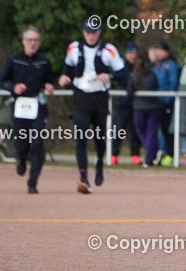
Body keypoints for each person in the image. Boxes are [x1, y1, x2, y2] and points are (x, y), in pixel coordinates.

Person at [57, 19, 126, 194]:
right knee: (81, 137)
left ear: (100, 32)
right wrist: (63, 77)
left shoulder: (109, 50)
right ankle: (84, 177)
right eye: (88, 32)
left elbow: (123, 73)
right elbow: (67, 68)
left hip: (100, 98)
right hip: (81, 97)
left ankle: (100, 163)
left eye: (94, 32)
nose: (91, 35)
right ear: (83, 32)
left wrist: (110, 76)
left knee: (99, 139)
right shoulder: (74, 48)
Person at [0, 26, 55, 194]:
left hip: (38, 106)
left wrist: (50, 87)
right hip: (20, 107)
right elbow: (2, 81)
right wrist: (13, 87)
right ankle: (21, 159)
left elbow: (49, 83)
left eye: (36, 40)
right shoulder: (14, 60)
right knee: (21, 143)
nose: (33, 43)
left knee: (38, 143)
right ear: (23, 41)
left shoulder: (44, 61)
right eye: (29, 40)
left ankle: (33, 182)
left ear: (40, 42)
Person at [127, 52, 163, 167]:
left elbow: (129, 91)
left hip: (139, 108)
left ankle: (150, 157)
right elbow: (157, 88)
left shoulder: (134, 76)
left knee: (142, 132)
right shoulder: (152, 75)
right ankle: (153, 153)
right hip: (154, 108)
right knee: (151, 133)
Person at [110, 43, 142, 166]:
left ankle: (135, 155)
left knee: (136, 130)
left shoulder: (139, 67)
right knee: (118, 129)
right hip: (122, 103)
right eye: (131, 53)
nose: (133, 56)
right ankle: (113, 154)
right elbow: (118, 78)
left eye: (135, 53)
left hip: (136, 103)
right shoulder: (121, 66)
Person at [150, 41, 180, 166]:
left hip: (167, 103)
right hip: (157, 103)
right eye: (157, 50)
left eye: (161, 50)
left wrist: (168, 100)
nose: (159, 52)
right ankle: (160, 154)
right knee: (159, 131)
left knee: (167, 130)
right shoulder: (156, 65)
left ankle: (170, 155)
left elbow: (173, 83)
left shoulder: (171, 65)